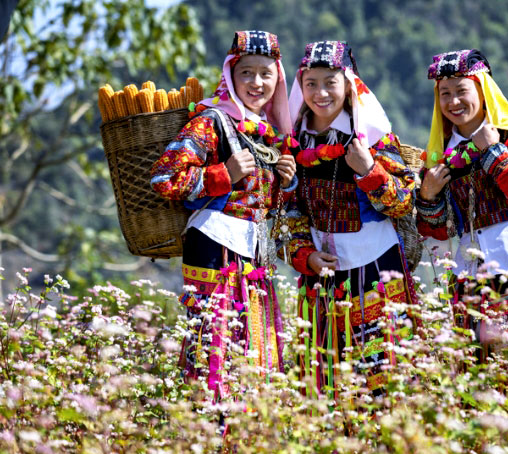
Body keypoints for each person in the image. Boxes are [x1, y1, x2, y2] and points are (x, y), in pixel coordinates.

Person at [150, 30, 298, 401]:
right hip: (213, 247)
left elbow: (263, 203)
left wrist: (285, 182)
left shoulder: (269, 136)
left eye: (266, 74)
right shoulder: (211, 120)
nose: (256, 83)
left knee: (253, 346)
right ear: (231, 74)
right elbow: (165, 178)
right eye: (246, 72)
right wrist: (223, 175)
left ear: (278, 79)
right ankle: (209, 435)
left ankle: (243, 439)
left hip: (253, 251)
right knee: (215, 347)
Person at [278, 40, 418, 397]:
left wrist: (369, 169)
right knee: (322, 385)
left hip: (376, 270)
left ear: (348, 84)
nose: (320, 92)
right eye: (311, 83)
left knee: (385, 380)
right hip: (320, 277)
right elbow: (288, 211)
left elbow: (403, 202)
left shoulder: (371, 137)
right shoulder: (293, 143)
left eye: (330, 82)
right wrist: (303, 255)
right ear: (300, 85)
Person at [416, 49, 508, 363]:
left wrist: (492, 150)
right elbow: (438, 231)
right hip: (470, 272)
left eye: (461, 91)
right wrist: (428, 195)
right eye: (445, 94)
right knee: (479, 368)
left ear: (482, 91)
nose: (453, 102)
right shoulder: (440, 156)